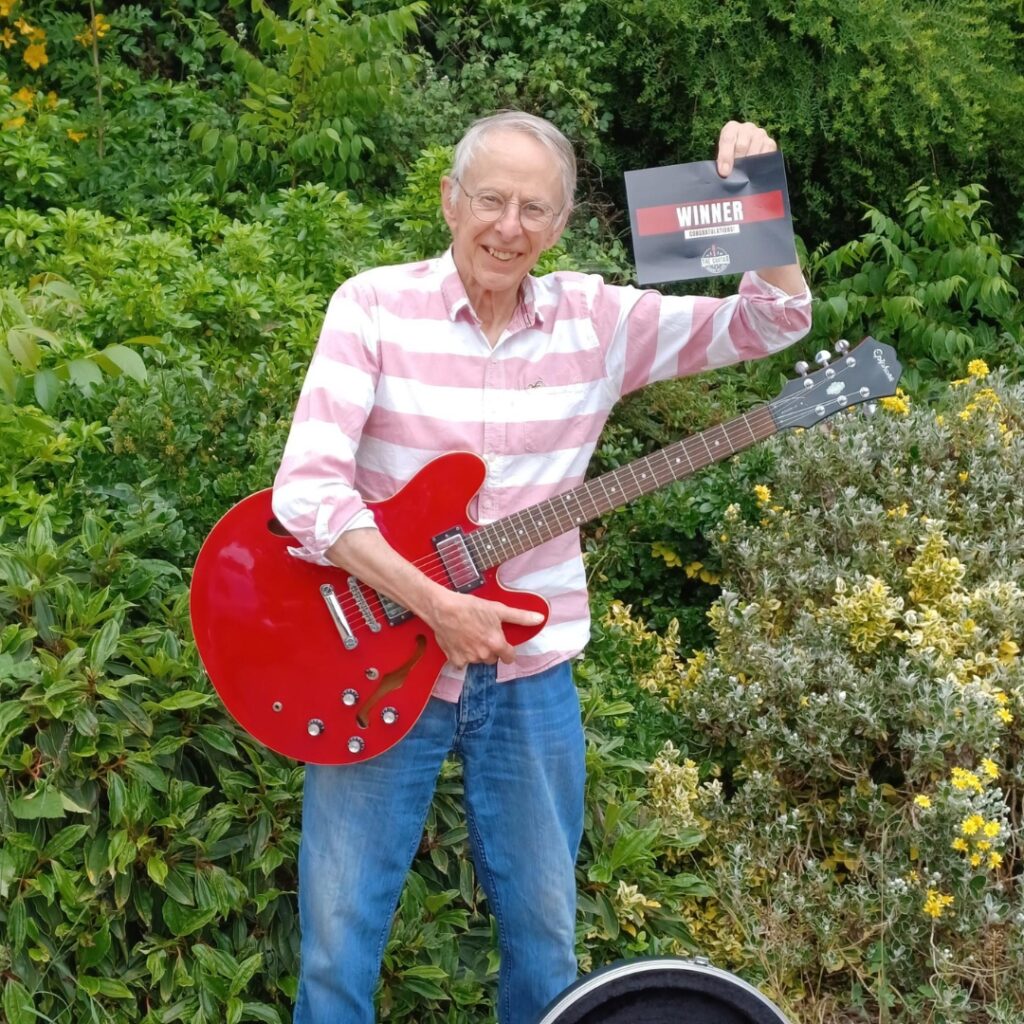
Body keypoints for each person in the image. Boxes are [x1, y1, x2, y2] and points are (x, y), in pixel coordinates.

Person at [271, 111, 812, 1024]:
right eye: (490, 199)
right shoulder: (372, 307)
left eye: (534, 209)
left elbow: (775, 319)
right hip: (374, 665)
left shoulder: (597, 321)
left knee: (547, 949)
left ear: (560, 225)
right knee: (336, 947)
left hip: (530, 677)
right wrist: (435, 603)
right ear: (450, 201)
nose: (508, 226)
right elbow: (309, 492)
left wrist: (758, 192)